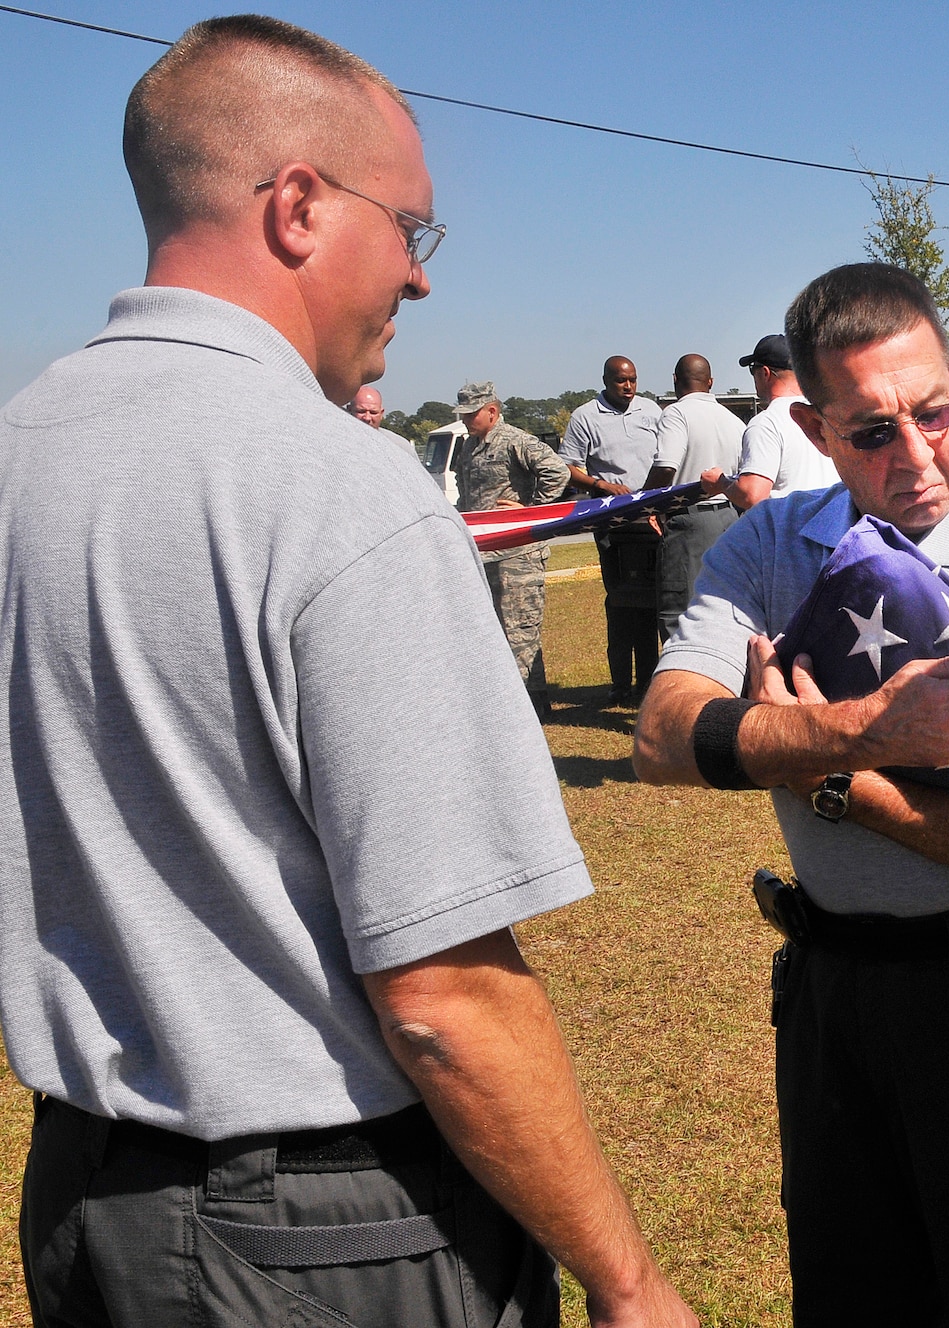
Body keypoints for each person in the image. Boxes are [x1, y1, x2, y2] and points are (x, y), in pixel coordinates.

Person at [0, 16, 695, 1327]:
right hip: (328, 1236)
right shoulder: (339, 488)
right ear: (301, 206)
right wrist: (629, 1279)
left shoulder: (22, 449)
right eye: (411, 229)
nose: (420, 280)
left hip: (88, 1199)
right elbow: (441, 999)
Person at [633, 263, 949, 1326]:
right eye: (870, 432)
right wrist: (856, 729)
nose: (916, 457)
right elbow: (664, 730)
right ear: (813, 429)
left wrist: (836, 781)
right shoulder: (771, 545)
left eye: (935, 412)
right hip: (834, 1003)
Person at [452, 379, 571, 721]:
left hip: (518, 554)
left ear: (491, 411)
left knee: (520, 630)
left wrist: (529, 510)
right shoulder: (469, 446)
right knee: (495, 631)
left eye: (471, 413)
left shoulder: (515, 440)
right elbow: (466, 495)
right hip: (485, 552)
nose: (465, 420)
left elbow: (557, 472)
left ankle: (530, 707)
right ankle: (512, 701)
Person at [561, 355, 665, 706]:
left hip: (649, 522)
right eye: (621, 381)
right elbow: (567, 467)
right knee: (621, 605)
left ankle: (648, 683)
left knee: (650, 605)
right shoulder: (585, 416)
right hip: (612, 525)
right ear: (605, 380)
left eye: (633, 380)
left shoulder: (651, 411)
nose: (629, 387)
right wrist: (598, 484)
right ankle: (620, 684)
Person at [644, 353, 742, 643]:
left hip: (689, 521)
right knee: (722, 606)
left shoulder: (676, 413)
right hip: (728, 517)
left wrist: (647, 503)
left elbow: (666, 466)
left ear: (675, 380)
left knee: (679, 611)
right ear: (711, 382)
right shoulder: (732, 419)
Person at [700, 333, 838, 511]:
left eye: (753, 369)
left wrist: (721, 482)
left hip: (793, 530)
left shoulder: (767, 423)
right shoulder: (825, 413)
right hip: (833, 524)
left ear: (765, 373)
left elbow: (753, 495)